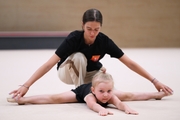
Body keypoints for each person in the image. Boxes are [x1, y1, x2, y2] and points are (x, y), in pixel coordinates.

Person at [9, 8, 173, 101]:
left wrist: (154, 81)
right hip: (67, 71)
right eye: (89, 29)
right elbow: (48, 64)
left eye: (97, 29)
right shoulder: (74, 38)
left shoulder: (104, 41)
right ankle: (83, 94)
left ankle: (156, 95)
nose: (92, 33)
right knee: (79, 57)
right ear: (82, 25)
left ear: (101, 28)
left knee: (114, 94)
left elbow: (130, 63)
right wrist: (26, 85)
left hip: (90, 73)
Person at [7, 72, 169, 116]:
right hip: (80, 92)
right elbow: (92, 105)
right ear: (94, 90)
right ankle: (23, 100)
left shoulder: (108, 93)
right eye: (101, 92)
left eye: (109, 91)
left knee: (129, 95)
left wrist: (126, 108)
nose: (106, 95)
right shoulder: (91, 95)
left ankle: (156, 94)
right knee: (55, 98)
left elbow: (119, 102)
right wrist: (101, 110)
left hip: (97, 87)